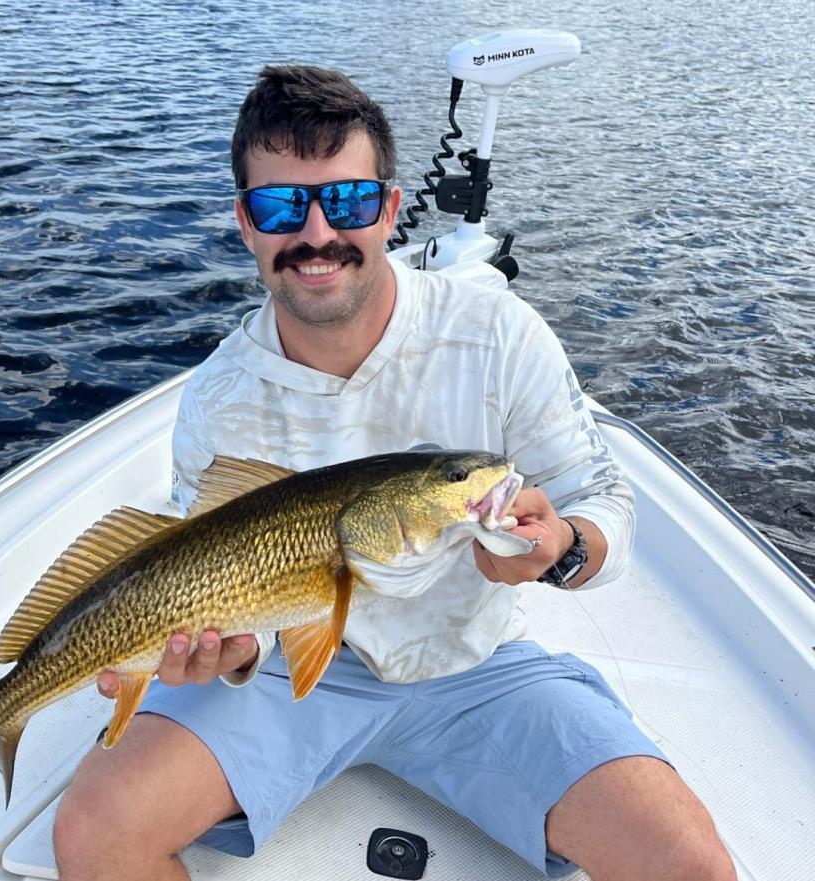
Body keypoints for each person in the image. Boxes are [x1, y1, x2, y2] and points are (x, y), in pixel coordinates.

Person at [53, 66, 735, 881]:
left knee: (688, 862)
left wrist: (563, 546)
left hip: (477, 662)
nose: (315, 235)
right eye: (280, 206)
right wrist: (228, 653)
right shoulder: (220, 399)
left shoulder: (496, 332)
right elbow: (227, 601)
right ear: (245, 223)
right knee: (94, 834)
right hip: (282, 675)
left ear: (387, 206)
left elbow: (605, 498)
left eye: (345, 201)